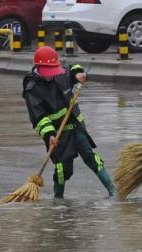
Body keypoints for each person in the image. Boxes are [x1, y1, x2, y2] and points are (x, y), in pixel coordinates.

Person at [22, 46, 115, 199]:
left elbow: (75, 68)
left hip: (75, 125)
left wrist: (79, 74)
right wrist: (50, 135)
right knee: (61, 169)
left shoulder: (62, 72)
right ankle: (59, 200)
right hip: (56, 133)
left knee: (91, 156)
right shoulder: (32, 90)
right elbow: (39, 118)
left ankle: (113, 191)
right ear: (39, 68)